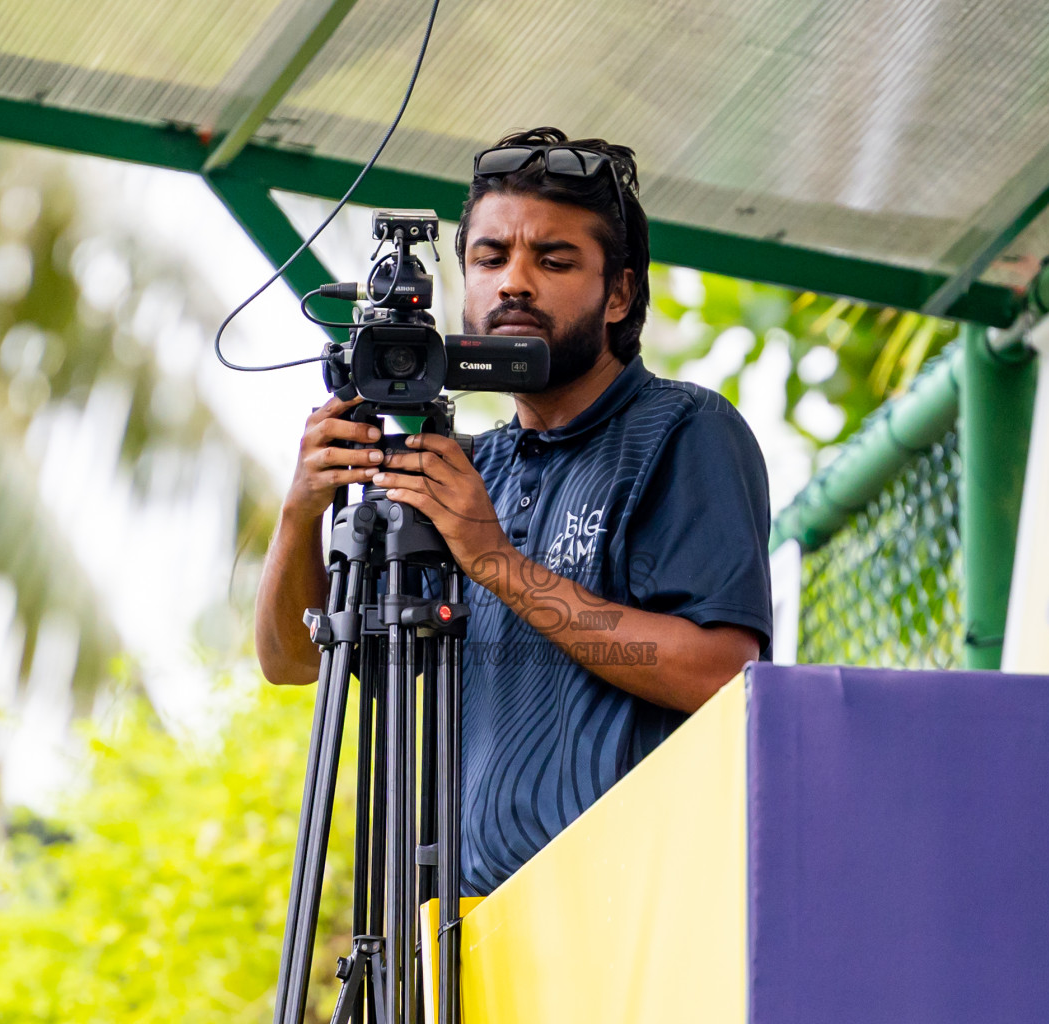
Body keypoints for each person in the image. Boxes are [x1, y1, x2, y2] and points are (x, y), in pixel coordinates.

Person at [255, 127, 772, 896]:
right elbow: (293, 661)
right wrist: (303, 509)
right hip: (463, 943)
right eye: (490, 259)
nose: (515, 283)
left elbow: (722, 672)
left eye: (554, 259)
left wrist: (496, 563)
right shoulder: (459, 467)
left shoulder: (685, 429)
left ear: (621, 292)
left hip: (628, 917)